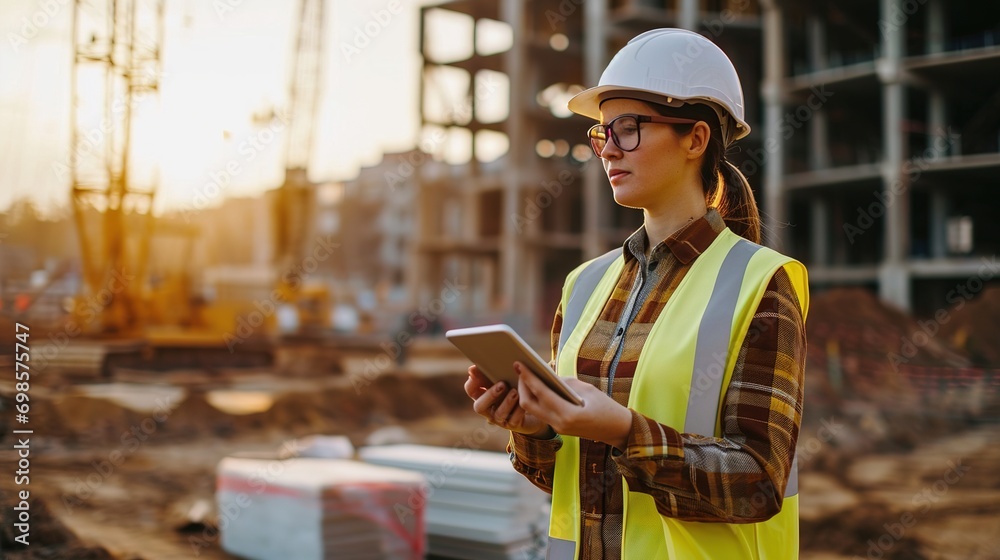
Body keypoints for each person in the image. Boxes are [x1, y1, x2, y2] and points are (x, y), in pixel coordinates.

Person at [464, 28, 808, 559]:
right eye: (602, 133)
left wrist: (626, 431)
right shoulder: (584, 286)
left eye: (627, 129)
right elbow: (572, 480)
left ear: (695, 139)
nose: (607, 151)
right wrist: (534, 429)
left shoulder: (762, 282)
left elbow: (760, 481)